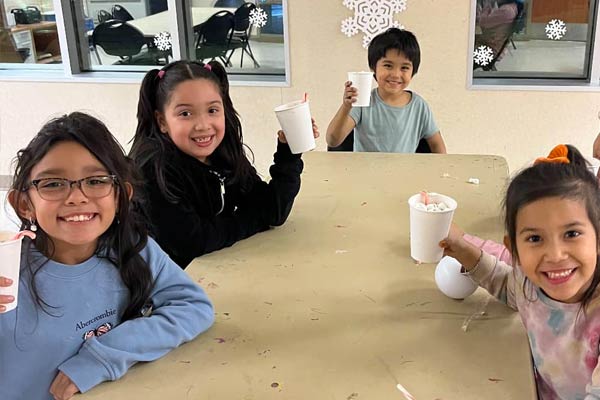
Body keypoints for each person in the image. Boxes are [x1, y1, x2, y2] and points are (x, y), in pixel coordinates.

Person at [0, 112, 214, 400]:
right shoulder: (7, 273)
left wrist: (101, 357)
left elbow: (194, 306)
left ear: (120, 195)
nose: (76, 197)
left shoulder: (135, 249)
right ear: (23, 204)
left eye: (96, 180)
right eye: (52, 184)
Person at [440, 144, 600, 399]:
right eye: (535, 238)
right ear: (513, 248)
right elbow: (507, 285)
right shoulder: (530, 285)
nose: (556, 255)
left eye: (571, 234)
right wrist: (462, 249)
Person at [130, 60, 319, 269]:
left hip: (213, 273)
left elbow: (273, 211)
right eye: (185, 113)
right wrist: (253, 220)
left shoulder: (222, 154)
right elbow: (193, 242)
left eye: (212, 110)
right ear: (162, 121)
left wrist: (289, 151)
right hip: (160, 290)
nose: (203, 125)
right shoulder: (152, 168)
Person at [326, 28, 446, 154]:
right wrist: (346, 106)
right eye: (388, 65)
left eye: (404, 67)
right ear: (374, 67)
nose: (395, 74)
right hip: (365, 172)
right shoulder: (363, 101)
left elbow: (438, 146)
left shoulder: (419, 106)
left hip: (403, 172)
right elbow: (333, 141)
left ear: (413, 71)